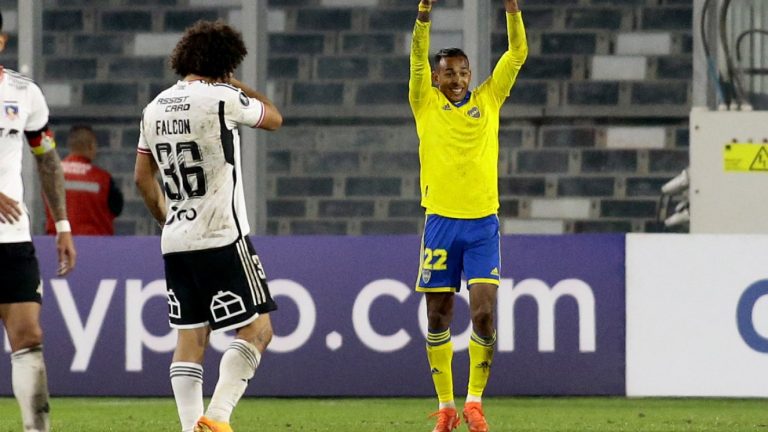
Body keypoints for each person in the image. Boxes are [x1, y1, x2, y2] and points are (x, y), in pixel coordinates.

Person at [134, 20, 282, 432]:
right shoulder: (223, 98)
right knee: (258, 329)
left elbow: (142, 179)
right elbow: (274, 119)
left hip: (176, 239)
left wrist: (168, 218)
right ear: (226, 62)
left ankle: (189, 428)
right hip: (222, 234)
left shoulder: (155, 107)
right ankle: (216, 419)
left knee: (190, 339)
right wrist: (240, 85)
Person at [409, 1, 527, 431]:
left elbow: (516, 55)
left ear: (470, 75)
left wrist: (512, 10)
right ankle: (445, 406)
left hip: (482, 224)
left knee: (483, 314)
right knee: (438, 317)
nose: (456, 79)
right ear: (436, 77)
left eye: (463, 72)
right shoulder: (424, 102)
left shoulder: (490, 99)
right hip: (440, 223)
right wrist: (423, 16)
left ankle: (474, 402)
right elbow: (416, 59)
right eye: (449, 73)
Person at [0, 11, 77, 432]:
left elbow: (47, 159)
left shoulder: (24, 94)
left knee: (29, 336)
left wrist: (62, 225)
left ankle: (36, 429)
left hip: (11, 239)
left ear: (1, 42)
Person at [44, 125, 124, 235]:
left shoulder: (52, 174)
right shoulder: (103, 178)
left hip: (58, 245)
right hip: (95, 246)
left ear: (70, 146)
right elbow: (117, 208)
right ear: (91, 146)